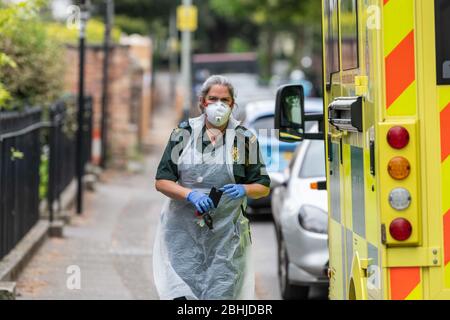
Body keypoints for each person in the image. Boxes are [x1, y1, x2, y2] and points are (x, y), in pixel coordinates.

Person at [153, 75, 271, 300]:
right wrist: (189, 194)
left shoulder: (245, 140)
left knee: (221, 291)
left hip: (226, 237)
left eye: (225, 100)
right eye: (213, 99)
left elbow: (263, 185)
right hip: (182, 233)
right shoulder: (183, 134)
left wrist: (245, 190)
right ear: (202, 102)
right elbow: (162, 181)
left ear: (232, 104)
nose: (219, 105)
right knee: (183, 293)